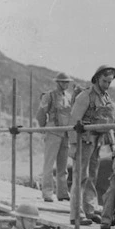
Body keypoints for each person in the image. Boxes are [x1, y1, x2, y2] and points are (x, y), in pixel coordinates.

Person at [68, 65, 115, 225]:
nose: (107, 85)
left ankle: (89, 210)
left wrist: (113, 144)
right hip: (84, 140)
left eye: (109, 82)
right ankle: (76, 214)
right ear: (97, 78)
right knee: (80, 177)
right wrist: (74, 145)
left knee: (91, 177)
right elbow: (73, 121)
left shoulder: (107, 99)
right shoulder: (85, 96)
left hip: (97, 141)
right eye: (104, 81)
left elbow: (108, 122)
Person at [36, 72, 74, 202]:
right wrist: (43, 127)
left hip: (65, 133)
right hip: (53, 132)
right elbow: (41, 113)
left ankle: (62, 192)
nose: (66, 84)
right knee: (49, 164)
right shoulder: (49, 96)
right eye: (63, 82)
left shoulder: (69, 97)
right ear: (57, 83)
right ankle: (47, 192)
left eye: (67, 82)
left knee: (63, 166)